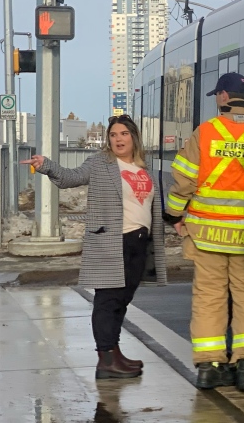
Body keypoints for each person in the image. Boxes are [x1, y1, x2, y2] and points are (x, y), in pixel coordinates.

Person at [23, 114, 167, 379]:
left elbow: (149, 205)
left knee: (122, 301)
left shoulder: (142, 168)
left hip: (139, 243)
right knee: (107, 300)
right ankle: (105, 359)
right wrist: (46, 165)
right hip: (112, 241)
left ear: (133, 137)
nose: (118, 139)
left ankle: (114, 351)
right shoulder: (101, 163)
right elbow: (70, 177)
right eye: (113, 135)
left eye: (123, 134)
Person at [163, 72, 244, 391]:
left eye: (216, 95)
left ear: (224, 97)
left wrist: (173, 214)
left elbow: (184, 179)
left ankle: (210, 366)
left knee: (209, 298)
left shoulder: (206, 132)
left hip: (209, 233)